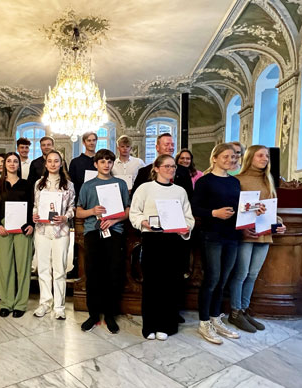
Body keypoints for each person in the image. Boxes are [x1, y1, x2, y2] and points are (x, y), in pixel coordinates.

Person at [130, 154, 195, 340]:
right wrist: (143, 222)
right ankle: (149, 326)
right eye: (166, 166)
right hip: (152, 240)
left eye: (173, 166)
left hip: (173, 242)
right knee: (151, 284)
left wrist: (185, 228)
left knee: (170, 284)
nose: (170, 169)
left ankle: (166, 326)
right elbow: (134, 212)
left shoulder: (180, 191)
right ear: (156, 168)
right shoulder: (145, 188)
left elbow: (189, 218)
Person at [192, 143, 247, 344]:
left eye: (233, 157)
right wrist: (214, 213)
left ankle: (216, 318)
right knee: (212, 279)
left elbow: (240, 208)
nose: (231, 160)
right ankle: (204, 322)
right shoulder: (204, 181)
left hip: (232, 235)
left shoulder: (234, 182)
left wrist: (253, 210)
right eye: (226, 156)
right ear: (214, 158)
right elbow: (194, 207)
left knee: (223, 280)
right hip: (212, 234)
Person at [228, 145, 286, 332]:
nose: (265, 158)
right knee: (241, 274)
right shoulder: (237, 180)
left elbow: (272, 209)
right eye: (260, 155)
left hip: (264, 233)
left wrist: (279, 223)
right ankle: (235, 312)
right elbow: (234, 209)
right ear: (250, 157)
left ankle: (244, 310)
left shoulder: (268, 180)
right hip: (246, 234)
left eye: (267, 156)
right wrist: (242, 230)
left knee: (253, 275)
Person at [77, 149, 130, 333]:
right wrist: (93, 211)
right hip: (93, 231)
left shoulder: (120, 184)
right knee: (93, 273)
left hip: (114, 231)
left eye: (109, 161)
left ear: (112, 164)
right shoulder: (87, 186)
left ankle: (110, 314)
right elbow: (78, 211)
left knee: (113, 273)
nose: (106, 164)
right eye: (102, 161)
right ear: (96, 164)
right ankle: (93, 314)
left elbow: (128, 210)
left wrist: (114, 220)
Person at [32, 150, 75, 320]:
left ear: (61, 163)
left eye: (56, 161)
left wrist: (66, 216)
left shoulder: (68, 185)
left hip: (61, 231)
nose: (52, 164)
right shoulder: (39, 184)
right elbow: (36, 205)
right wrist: (35, 214)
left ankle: (59, 306)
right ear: (46, 164)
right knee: (43, 268)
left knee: (59, 269)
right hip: (42, 230)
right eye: (49, 161)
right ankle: (45, 303)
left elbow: (72, 207)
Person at [0, 152, 34, 318]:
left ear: (19, 164)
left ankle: (20, 303)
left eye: (15, 161)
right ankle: (6, 302)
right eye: (8, 161)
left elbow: (33, 206)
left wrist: (31, 224)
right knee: (5, 266)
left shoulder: (26, 184)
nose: (11, 164)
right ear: (4, 165)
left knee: (23, 267)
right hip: (3, 228)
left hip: (23, 228)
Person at [132, 133, 192, 199]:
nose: (170, 147)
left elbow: (189, 197)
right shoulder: (144, 172)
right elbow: (135, 196)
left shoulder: (184, 171)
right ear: (157, 147)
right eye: (167, 144)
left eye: (172, 145)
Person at [68, 132, 97, 203]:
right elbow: (71, 184)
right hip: (80, 199)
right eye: (89, 140)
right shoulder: (75, 162)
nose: (91, 143)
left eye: (94, 140)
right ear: (84, 142)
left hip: (98, 198)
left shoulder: (101, 161)